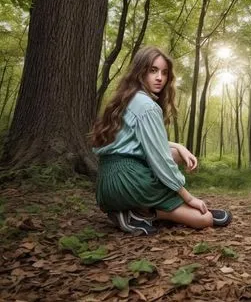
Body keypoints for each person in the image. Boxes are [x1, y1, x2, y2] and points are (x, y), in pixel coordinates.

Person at [90, 46, 232, 235]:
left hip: (106, 186)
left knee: (175, 154)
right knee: (204, 219)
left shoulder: (127, 100)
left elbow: (138, 144)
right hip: (129, 180)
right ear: (140, 72)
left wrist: (179, 146)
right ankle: (145, 213)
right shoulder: (147, 106)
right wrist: (189, 198)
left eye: (164, 73)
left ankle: (130, 210)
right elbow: (160, 161)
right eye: (153, 70)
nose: (160, 78)